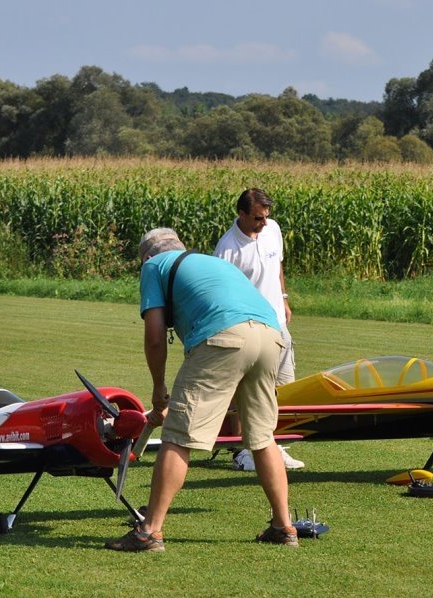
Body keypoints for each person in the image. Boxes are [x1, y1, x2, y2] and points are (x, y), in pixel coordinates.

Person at [106, 228, 299, 552]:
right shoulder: (210, 262)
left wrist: (158, 389)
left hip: (223, 337)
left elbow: (155, 336)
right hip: (270, 336)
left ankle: (150, 530)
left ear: (148, 257)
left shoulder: (154, 266)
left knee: (178, 436)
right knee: (263, 438)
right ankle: (283, 525)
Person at [214, 188, 304, 471]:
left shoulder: (272, 229)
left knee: (284, 388)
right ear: (241, 214)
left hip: (278, 324)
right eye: (257, 218)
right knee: (247, 390)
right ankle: (243, 451)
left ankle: (274, 446)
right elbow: (222, 294)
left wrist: (284, 299)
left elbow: (277, 265)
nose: (264, 223)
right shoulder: (227, 248)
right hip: (249, 329)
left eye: (266, 217)